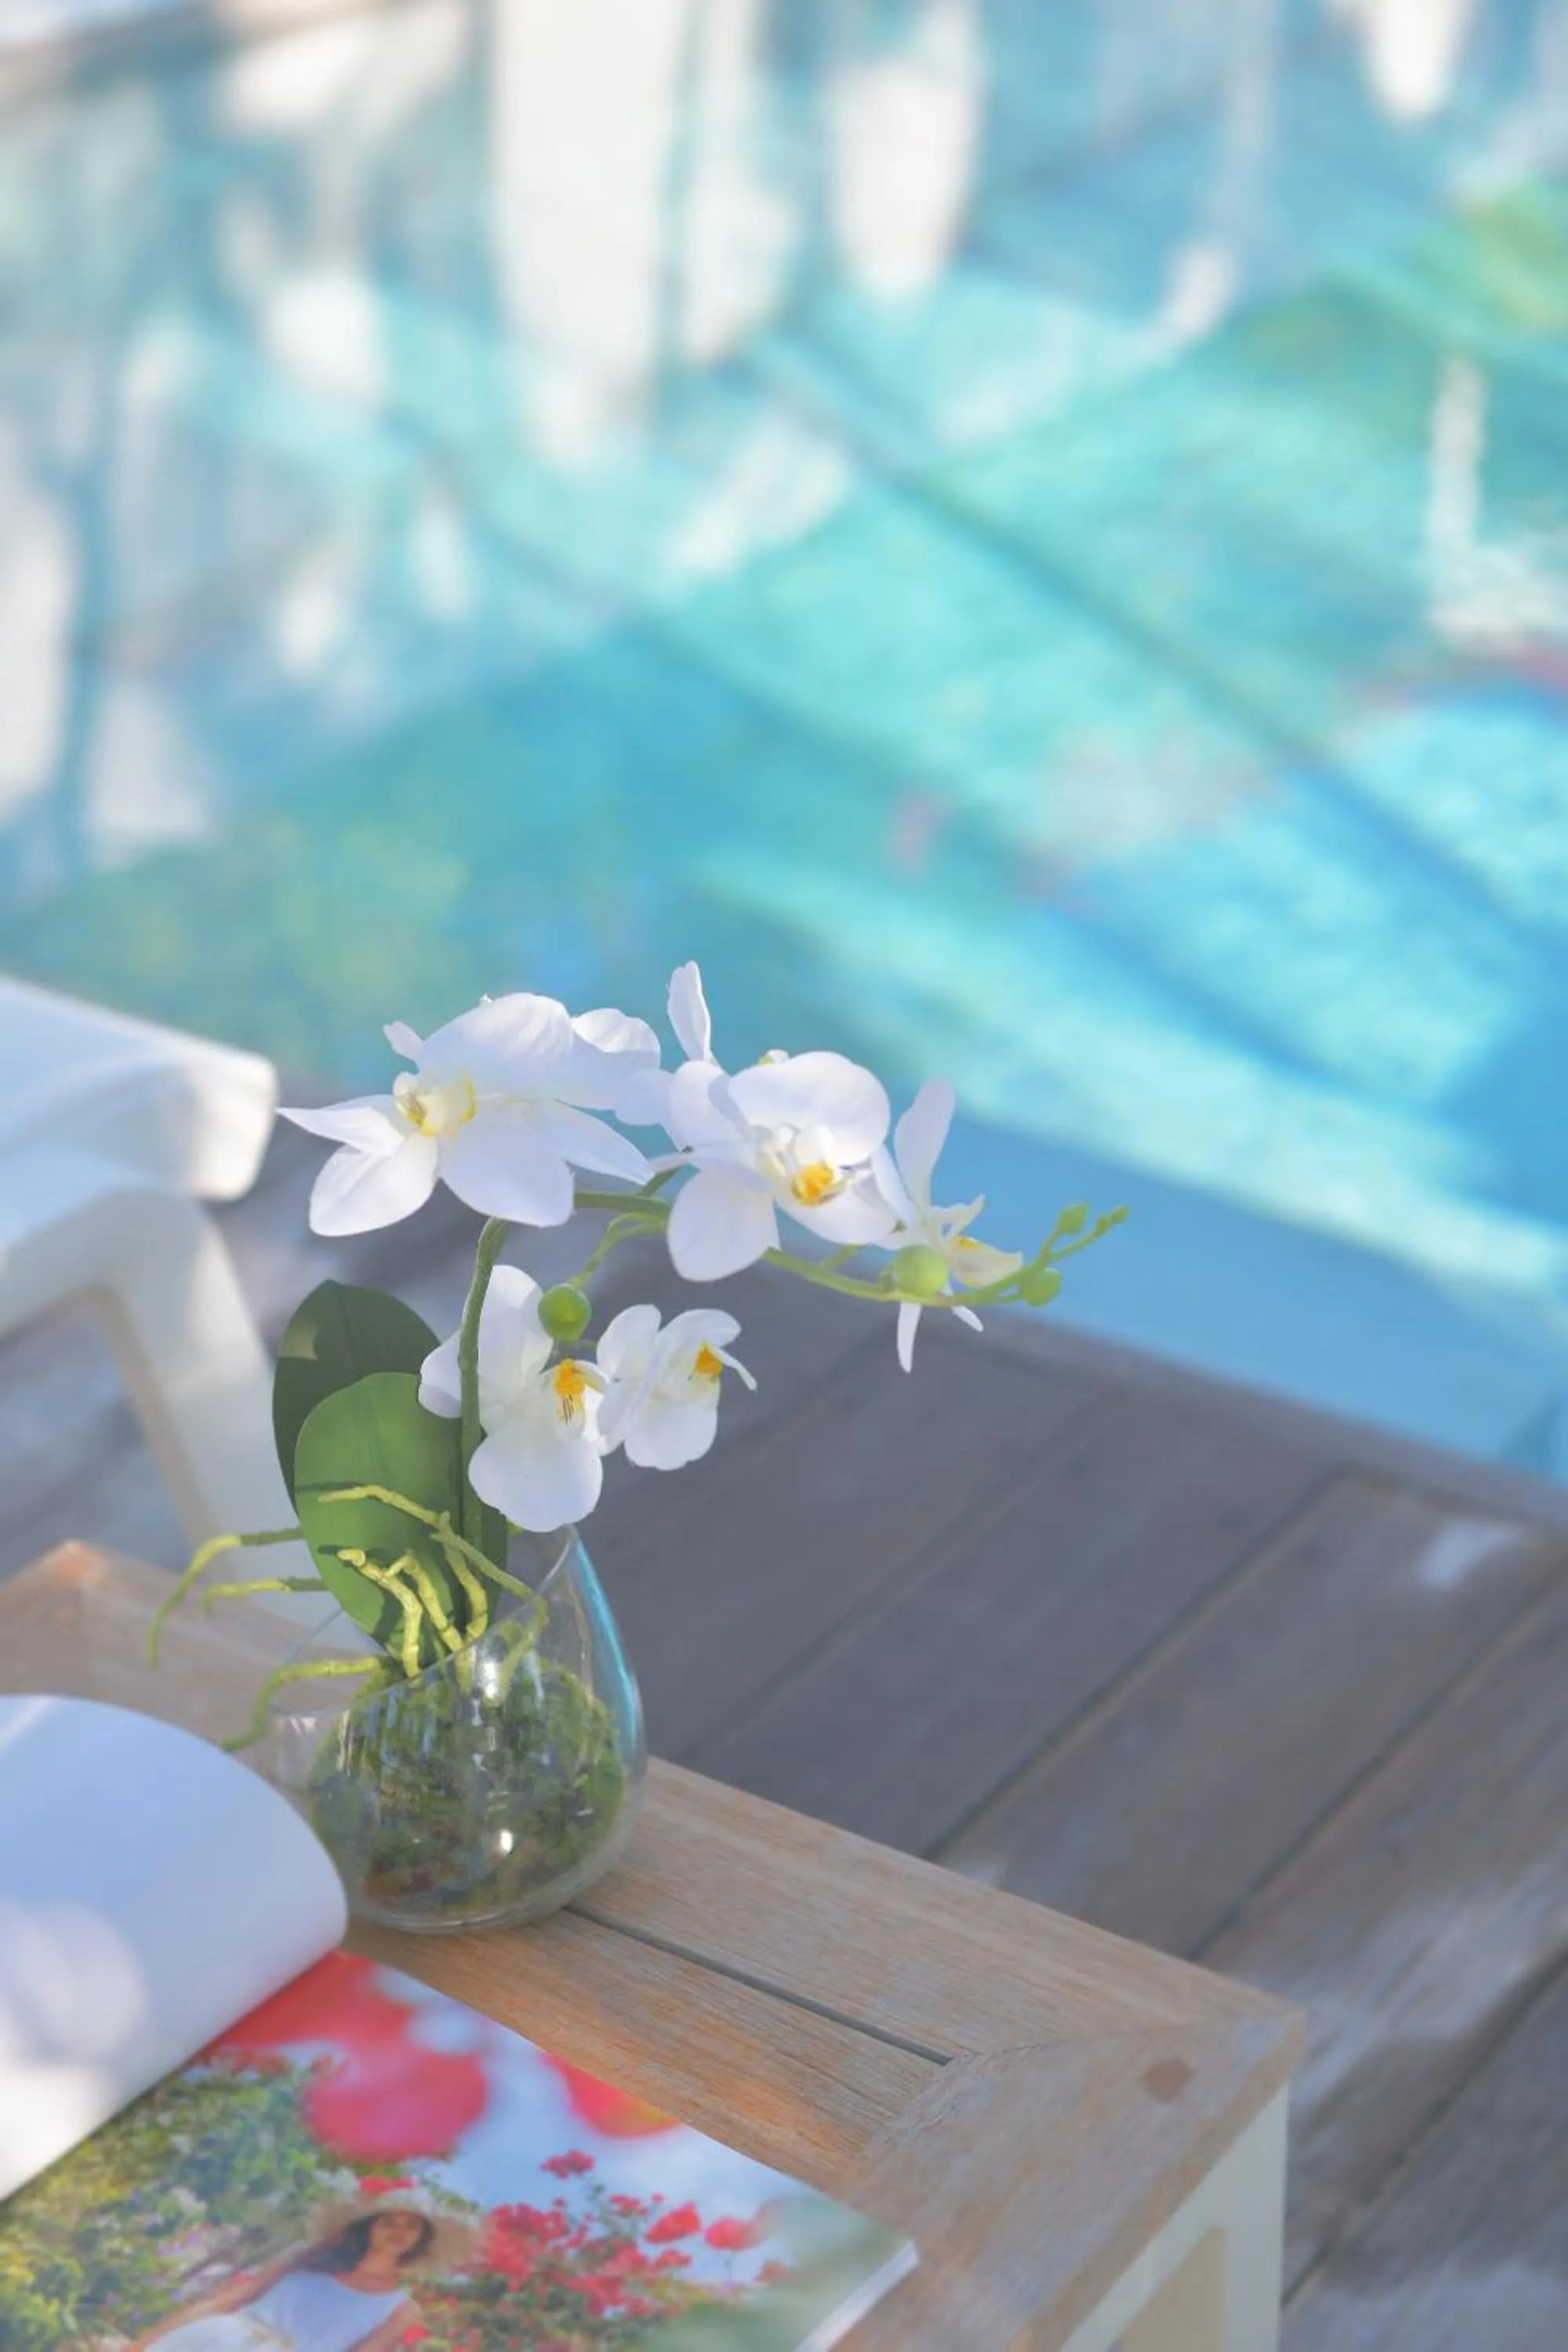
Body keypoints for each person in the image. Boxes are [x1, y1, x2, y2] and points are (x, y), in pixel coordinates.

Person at [128, 2203, 459, 2352]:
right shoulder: (309, 2257)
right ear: (369, 2227)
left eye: (411, 2226)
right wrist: (142, 2344)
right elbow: (225, 2301)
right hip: (215, 2340)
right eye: (389, 2222)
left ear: (421, 2239)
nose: (398, 2232)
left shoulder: (401, 2307)